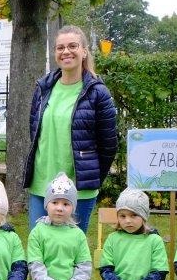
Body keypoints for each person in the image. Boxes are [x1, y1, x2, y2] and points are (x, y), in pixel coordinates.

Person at [23, 25, 119, 231]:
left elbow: (109, 145)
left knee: (72, 248)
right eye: (60, 47)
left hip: (79, 190)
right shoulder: (43, 88)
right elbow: (35, 133)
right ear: (55, 53)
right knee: (38, 247)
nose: (66, 51)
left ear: (84, 51)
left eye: (72, 46)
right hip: (41, 186)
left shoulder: (98, 93)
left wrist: (90, 177)